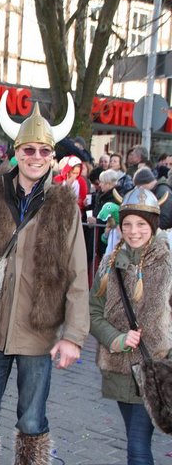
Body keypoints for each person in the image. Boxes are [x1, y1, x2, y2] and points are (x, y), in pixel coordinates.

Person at [0, 92, 89, 464]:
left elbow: (78, 276)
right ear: (16, 152)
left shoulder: (64, 207)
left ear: (52, 156)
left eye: (44, 151)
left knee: (32, 420)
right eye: (29, 150)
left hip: (37, 332)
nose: (36, 157)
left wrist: (73, 336)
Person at [89, 187, 172, 465]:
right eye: (127, 224)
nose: (133, 231)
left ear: (153, 225)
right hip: (120, 370)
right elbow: (93, 311)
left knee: (137, 446)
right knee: (135, 441)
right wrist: (116, 338)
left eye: (141, 224)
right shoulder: (109, 264)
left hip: (156, 370)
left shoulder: (168, 264)